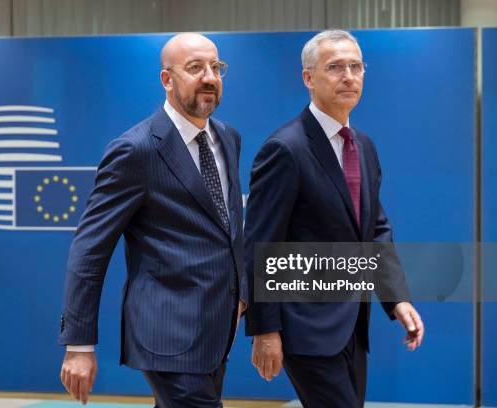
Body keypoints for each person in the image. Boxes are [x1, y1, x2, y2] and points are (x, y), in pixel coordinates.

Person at [58, 32, 247, 407]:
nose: (209, 76)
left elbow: (229, 227)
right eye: (195, 68)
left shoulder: (228, 138)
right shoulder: (135, 149)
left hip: (217, 330)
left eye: (216, 67)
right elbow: (90, 249)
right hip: (167, 335)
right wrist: (79, 345)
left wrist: (241, 291)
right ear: (167, 79)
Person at [244, 29, 425, 407]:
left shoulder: (363, 145)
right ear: (308, 78)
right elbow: (261, 244)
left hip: (352, 325)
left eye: (356, 66)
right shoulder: (285, 149)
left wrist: (396, 299)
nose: (348, 76)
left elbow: (374, 230)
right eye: (335, 67)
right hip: (304, 324)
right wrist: (265, 330)